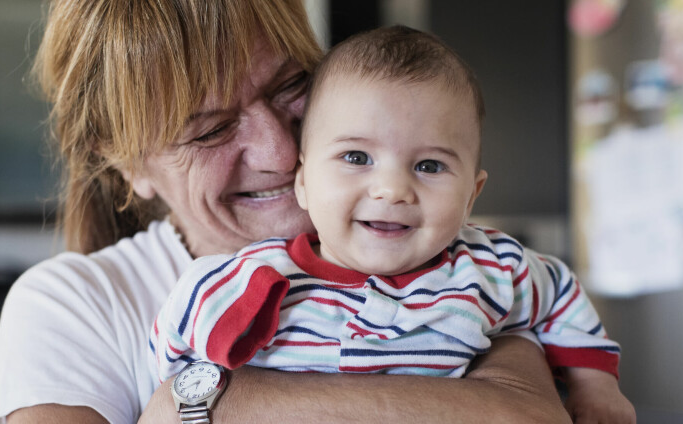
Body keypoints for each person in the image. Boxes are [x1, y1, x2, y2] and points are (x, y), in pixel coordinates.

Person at [0, 1, 573, 423]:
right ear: (130, 165)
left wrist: (201, 405)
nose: (281, 153)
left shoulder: (448, 257)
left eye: (291, 88)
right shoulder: (77, 306)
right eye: (210, 130)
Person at [151, 26, 635, 423]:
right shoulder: (258, 276)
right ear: (303, 182)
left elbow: (559, 297)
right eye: (356, 157)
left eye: (428, 166)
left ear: (472, 195)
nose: (392, 189)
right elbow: (176, 344)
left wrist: (596, 386)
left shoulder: (490, 266)